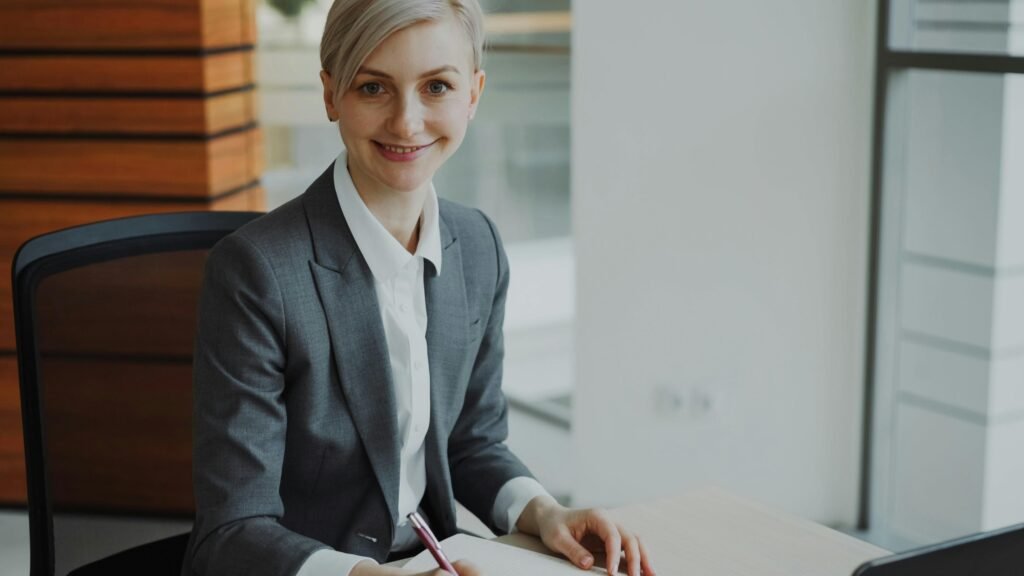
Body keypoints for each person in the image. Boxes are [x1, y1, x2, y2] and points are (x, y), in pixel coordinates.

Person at [183, 1, 655, 575]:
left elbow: (471, 443)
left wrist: (544, 512)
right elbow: (232, 530)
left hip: (433, 558)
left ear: (473, 94)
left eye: (436, 87)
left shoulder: (477, 246)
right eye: (373, 88)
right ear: (331, 95)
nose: (407, 123)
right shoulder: (256, 272)